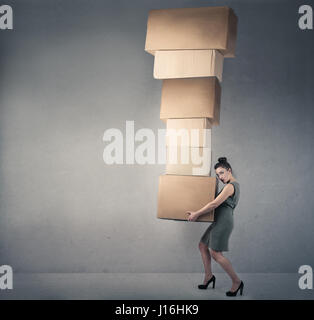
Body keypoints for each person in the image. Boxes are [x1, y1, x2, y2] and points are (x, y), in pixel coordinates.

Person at [186, 157, 244, 297]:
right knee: (202, 245)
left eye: (222, 173)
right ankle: (208, 276)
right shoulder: (228, 186)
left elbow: (214, 204)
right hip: (218, 220)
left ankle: (237, 281)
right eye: (218, 175)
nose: (220, 177)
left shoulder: (231, 186)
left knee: (216, 253)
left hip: (224, 222)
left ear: (229, 170)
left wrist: (197, 214)